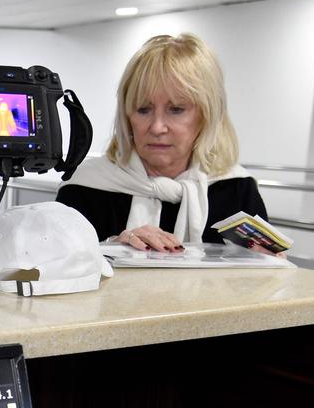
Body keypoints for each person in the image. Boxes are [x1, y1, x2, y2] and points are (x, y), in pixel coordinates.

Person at [56, 33, 269, 253]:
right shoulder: (86, 186)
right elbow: (50, 269)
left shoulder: (235, 188)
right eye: (143, 109)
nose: (157, 127)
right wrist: (112, 249)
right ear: (127, 115)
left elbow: (260, 283)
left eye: (176, 109)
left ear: (207, 114)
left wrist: (268, 263)